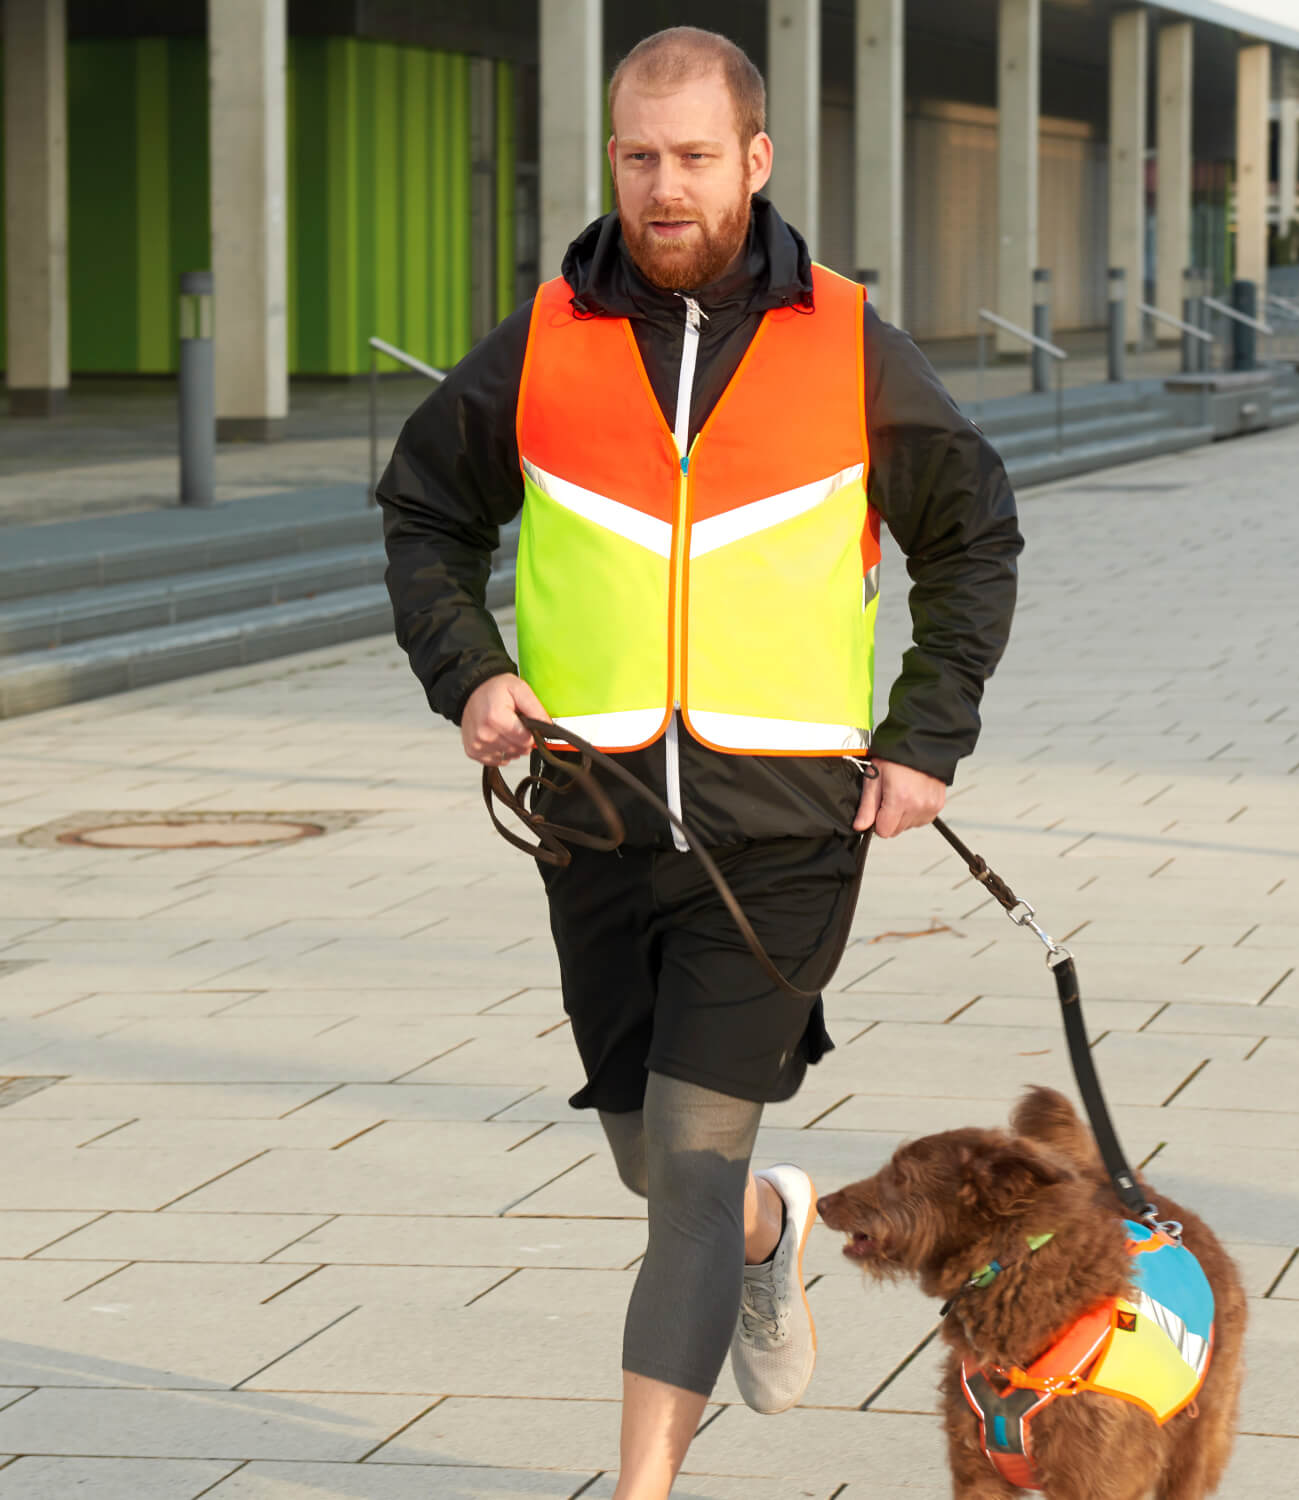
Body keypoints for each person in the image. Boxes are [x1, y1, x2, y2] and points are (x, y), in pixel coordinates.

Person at [378, 26, 1022, 1498]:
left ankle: (643, 1487)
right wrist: (469, 670)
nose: (662, 187)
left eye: (690, 157)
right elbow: (424, 513)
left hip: (785, 828)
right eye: (635, 155)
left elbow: (971, 535)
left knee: (680, 1176)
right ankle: (771, 1231)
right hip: (592, 817)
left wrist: (925, 740)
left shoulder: (850, 338)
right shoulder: (544, 338)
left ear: (756, 159)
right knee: (652, 1161)